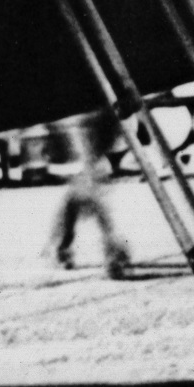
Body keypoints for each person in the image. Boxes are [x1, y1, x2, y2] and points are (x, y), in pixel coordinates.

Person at [47, 108, 132, 277]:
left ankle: (62, 244)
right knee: (88, 180)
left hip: (97, 112)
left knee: (85, 183)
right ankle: (112, 250)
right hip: (79, 112)